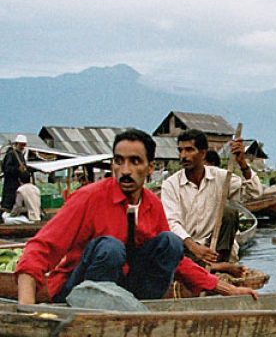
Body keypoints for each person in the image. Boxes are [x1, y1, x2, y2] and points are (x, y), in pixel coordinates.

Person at [14, 129, 257, 305]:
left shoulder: (152, 204)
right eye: (119, 162)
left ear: (150, 168)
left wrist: (224, 288)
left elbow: (178, 261)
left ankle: (140, 311)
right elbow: (41, 248)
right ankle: (99, 312)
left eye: (135, 162)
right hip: (76, 292)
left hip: (125, 292)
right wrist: (27, 307)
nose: (126, 170)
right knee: (110, 248)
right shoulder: (88, 197)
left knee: (171, 242)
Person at [161, 129, 262, 269]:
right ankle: (207, 269)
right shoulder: (171, 185)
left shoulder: (220, 177)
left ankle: (218, 267)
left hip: (215, 250)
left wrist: (242, 164)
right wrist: (194, 248)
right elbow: (172, 223)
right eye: (181, 150)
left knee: (229, 213)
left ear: (203, 153)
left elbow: (254, 193)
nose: (183, 156)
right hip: (185, 250)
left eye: (189, 150)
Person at [2, 135, 29, 211]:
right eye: (21, 144)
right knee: (9, 204)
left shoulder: (21, 155)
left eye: (24, 145)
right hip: (11, 184)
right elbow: (6, 169)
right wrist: (17, 169)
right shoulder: (10, 154)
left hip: (19, 183)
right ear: (17, 144)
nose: (23, 147)